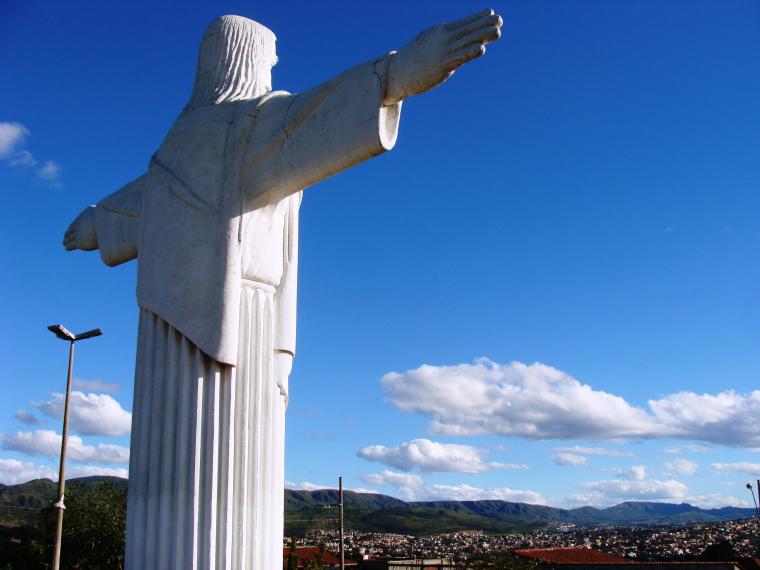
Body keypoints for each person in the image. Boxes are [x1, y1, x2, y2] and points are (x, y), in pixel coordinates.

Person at [63, 10, 502, 569]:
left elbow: (146, 196)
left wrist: (99, 222)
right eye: (270, 56)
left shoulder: (195, 136)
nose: (275, 65)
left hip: (221, 314)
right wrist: (394, 75)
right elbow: (307, 119)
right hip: (211, 319)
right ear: (245, 58)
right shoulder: (245, 125)